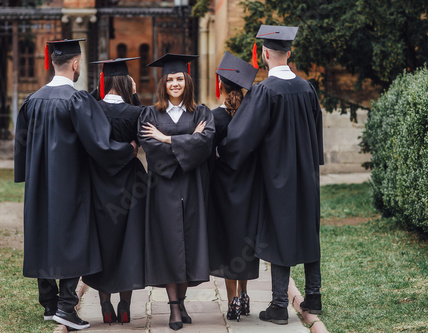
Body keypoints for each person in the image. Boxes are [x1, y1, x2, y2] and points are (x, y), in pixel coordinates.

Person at [14, 39, 136, 331]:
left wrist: (28, 174)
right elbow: (100, 144)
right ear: (76, 64)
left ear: (52, 62)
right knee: (73, 239)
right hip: (69, 182)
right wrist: (128, 149)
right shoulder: (76, 100)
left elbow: (21, 144)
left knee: (43, 233)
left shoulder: (32, 100)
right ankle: (67, 308)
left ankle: (49, 304)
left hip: (39, 182)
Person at [218, 25, 324, 325]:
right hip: (307, 173)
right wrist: (313, 162)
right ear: (289, 54)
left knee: (280, 233)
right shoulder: (307, 88)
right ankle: (313, 295)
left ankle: (279, 305)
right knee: (307, 229)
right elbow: (316, 131)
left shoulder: (265, 91)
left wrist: (222, 152)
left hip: (278, 176)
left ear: (264, 54)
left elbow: (243, 137)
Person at [138, 53, 215, 331]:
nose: (174, 83)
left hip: (193, 188)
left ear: (187, 81)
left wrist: (168, 138)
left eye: (179, 78)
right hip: (163, 188)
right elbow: (151, 148)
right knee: (170, 244)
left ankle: (181, 300)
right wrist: (188, 140)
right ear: (163, 83)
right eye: (170, 79)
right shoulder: (150, 114)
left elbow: (205, 144)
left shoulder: (202, 112)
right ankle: (173, 307)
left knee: (189, 244)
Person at [82, 57, 146, 324]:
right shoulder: (135, 113)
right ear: (126, 83)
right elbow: (144, 134)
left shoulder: (92, 110)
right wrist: (135, 96)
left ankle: (105, 306)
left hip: (98, 184)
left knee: (103, 243)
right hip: (130, 185)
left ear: (103, 82)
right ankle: (125, 306)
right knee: (128, 243)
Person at [207, 51, 259, 322]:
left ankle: (233, 301)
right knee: (244, 242)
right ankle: (246, 294)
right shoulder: (253, 117)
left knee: (228, 243)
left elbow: (208, 152)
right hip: (249, 188)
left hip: (223, 191)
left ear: (221, 87)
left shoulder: (216, 117)